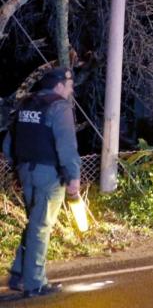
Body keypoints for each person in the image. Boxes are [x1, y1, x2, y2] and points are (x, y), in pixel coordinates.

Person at [3, 68, 81, 298]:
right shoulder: (59, 107)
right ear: (59, 85)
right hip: (49, 175)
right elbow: (67, 145)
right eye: (69, 86)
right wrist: (73, 176)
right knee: (41, 227)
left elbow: (9, 141)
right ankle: (35, 283)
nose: (71, 90)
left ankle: (19, 274)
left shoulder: (27, 103)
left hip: (25, 170)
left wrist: (16, 164)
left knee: (34, 223)